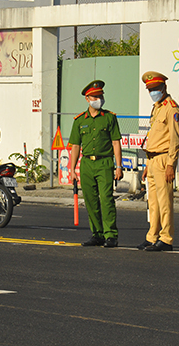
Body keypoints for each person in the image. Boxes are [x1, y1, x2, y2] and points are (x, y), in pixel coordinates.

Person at [68, 80, 123, 248]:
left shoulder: (109, 118)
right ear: (87, 98)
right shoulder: (79, 120)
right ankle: (97, 233)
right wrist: (72, 169)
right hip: (86, 164)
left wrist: (119, 166)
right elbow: (76, 146)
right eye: (95, 96)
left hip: (104, 163)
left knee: (106, 200)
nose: (98, 99)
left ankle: (110, 235)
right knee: (91, 200)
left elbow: (115, 143)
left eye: (100, 96)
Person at [138, 71, 179, 252]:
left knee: (164, 202)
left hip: (164, 159)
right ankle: (152, 236)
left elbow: (175, 139)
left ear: (164, 87)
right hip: (152, 158)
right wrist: (148, 165)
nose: (153, 92)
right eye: (150, 89)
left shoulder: (171, 108)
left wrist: (171, 164)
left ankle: (166, 238)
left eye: (156, 88)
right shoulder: (157, 107)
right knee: (153, 203)